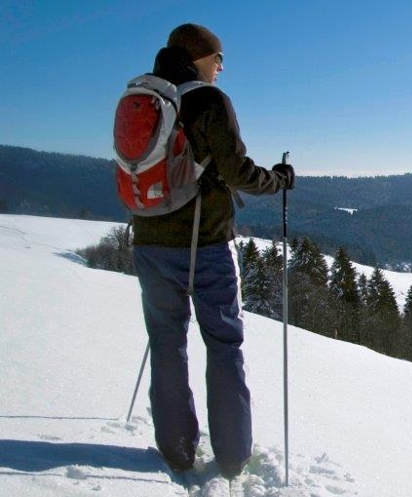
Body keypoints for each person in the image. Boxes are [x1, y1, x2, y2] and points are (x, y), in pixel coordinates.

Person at [130, 23, 295, 479]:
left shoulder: (144, 96)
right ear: (198, 55)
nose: (221, 67)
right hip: (205, 244)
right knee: (224, 345)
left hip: (148, 244)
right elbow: (237, 171)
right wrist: (279, 179)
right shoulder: (207, 100)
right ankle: (232, 455)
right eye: (218, 58)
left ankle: (177, 450)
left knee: (166, 344)